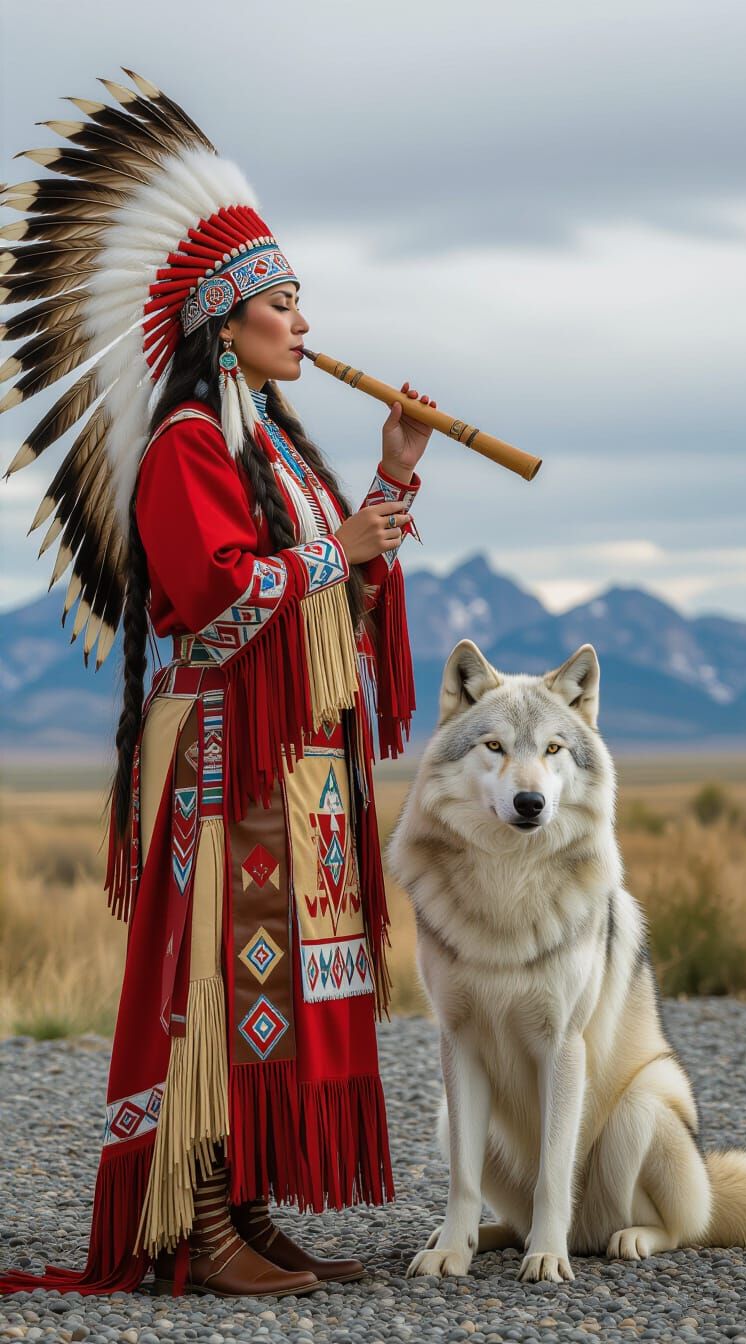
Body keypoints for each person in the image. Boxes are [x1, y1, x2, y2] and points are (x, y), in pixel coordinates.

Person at [0, 70, 435, 1299]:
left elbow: (333, 596)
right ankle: (195, 1223)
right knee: (223, 976)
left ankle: (246, 1204)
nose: (304, 325)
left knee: (283, 978)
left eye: (303, 304)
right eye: (284, 305)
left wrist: (391, 484)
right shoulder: (186, 451)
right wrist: (331, 550)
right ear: (227, 320)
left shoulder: (277, 450)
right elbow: (222, 598)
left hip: (288, 759)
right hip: (218, 762)